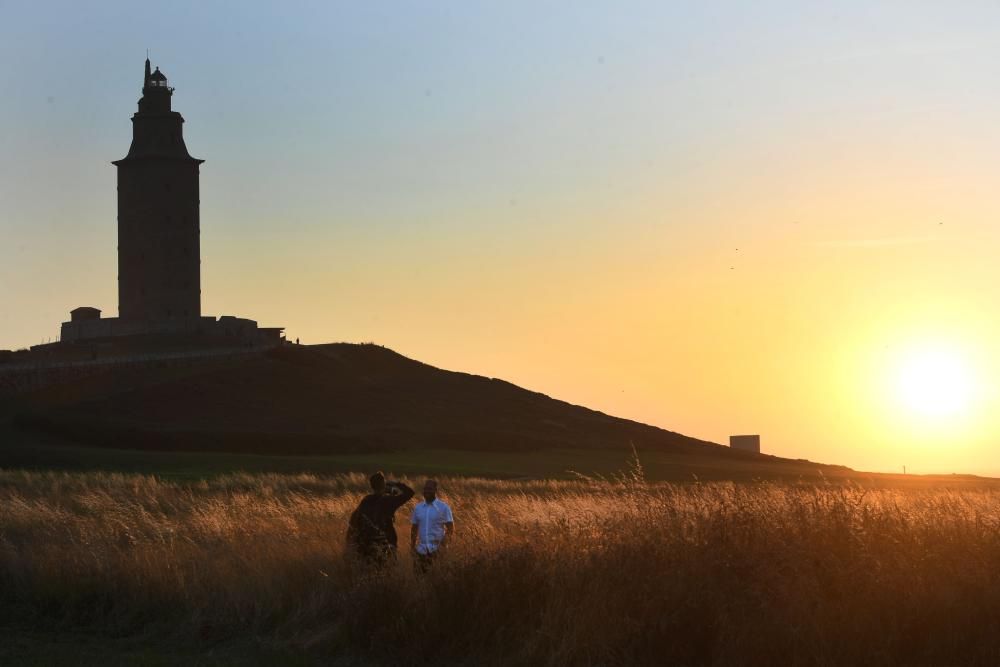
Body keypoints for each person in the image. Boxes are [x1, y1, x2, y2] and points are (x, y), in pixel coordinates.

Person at [347, 472, 414, 565]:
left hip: (366, 546)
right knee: (387, 573)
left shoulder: (365, 501)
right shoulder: (389, 501)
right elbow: (410, 493)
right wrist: (395, 484)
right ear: (383, 484)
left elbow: (355, 520)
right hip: (386, 545)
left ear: (371, 486)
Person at [410, 479, 454, 571]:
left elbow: (450, 528)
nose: (427, 491)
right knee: (419, 582)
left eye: (430, 489)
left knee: (436, 581)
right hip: (420, 552)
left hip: (437, 552)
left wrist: (442, 547)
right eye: (425, 488)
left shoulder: (443, 507)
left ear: (435, 490)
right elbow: (414, 528)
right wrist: (412, 547)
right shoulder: (418, 508)